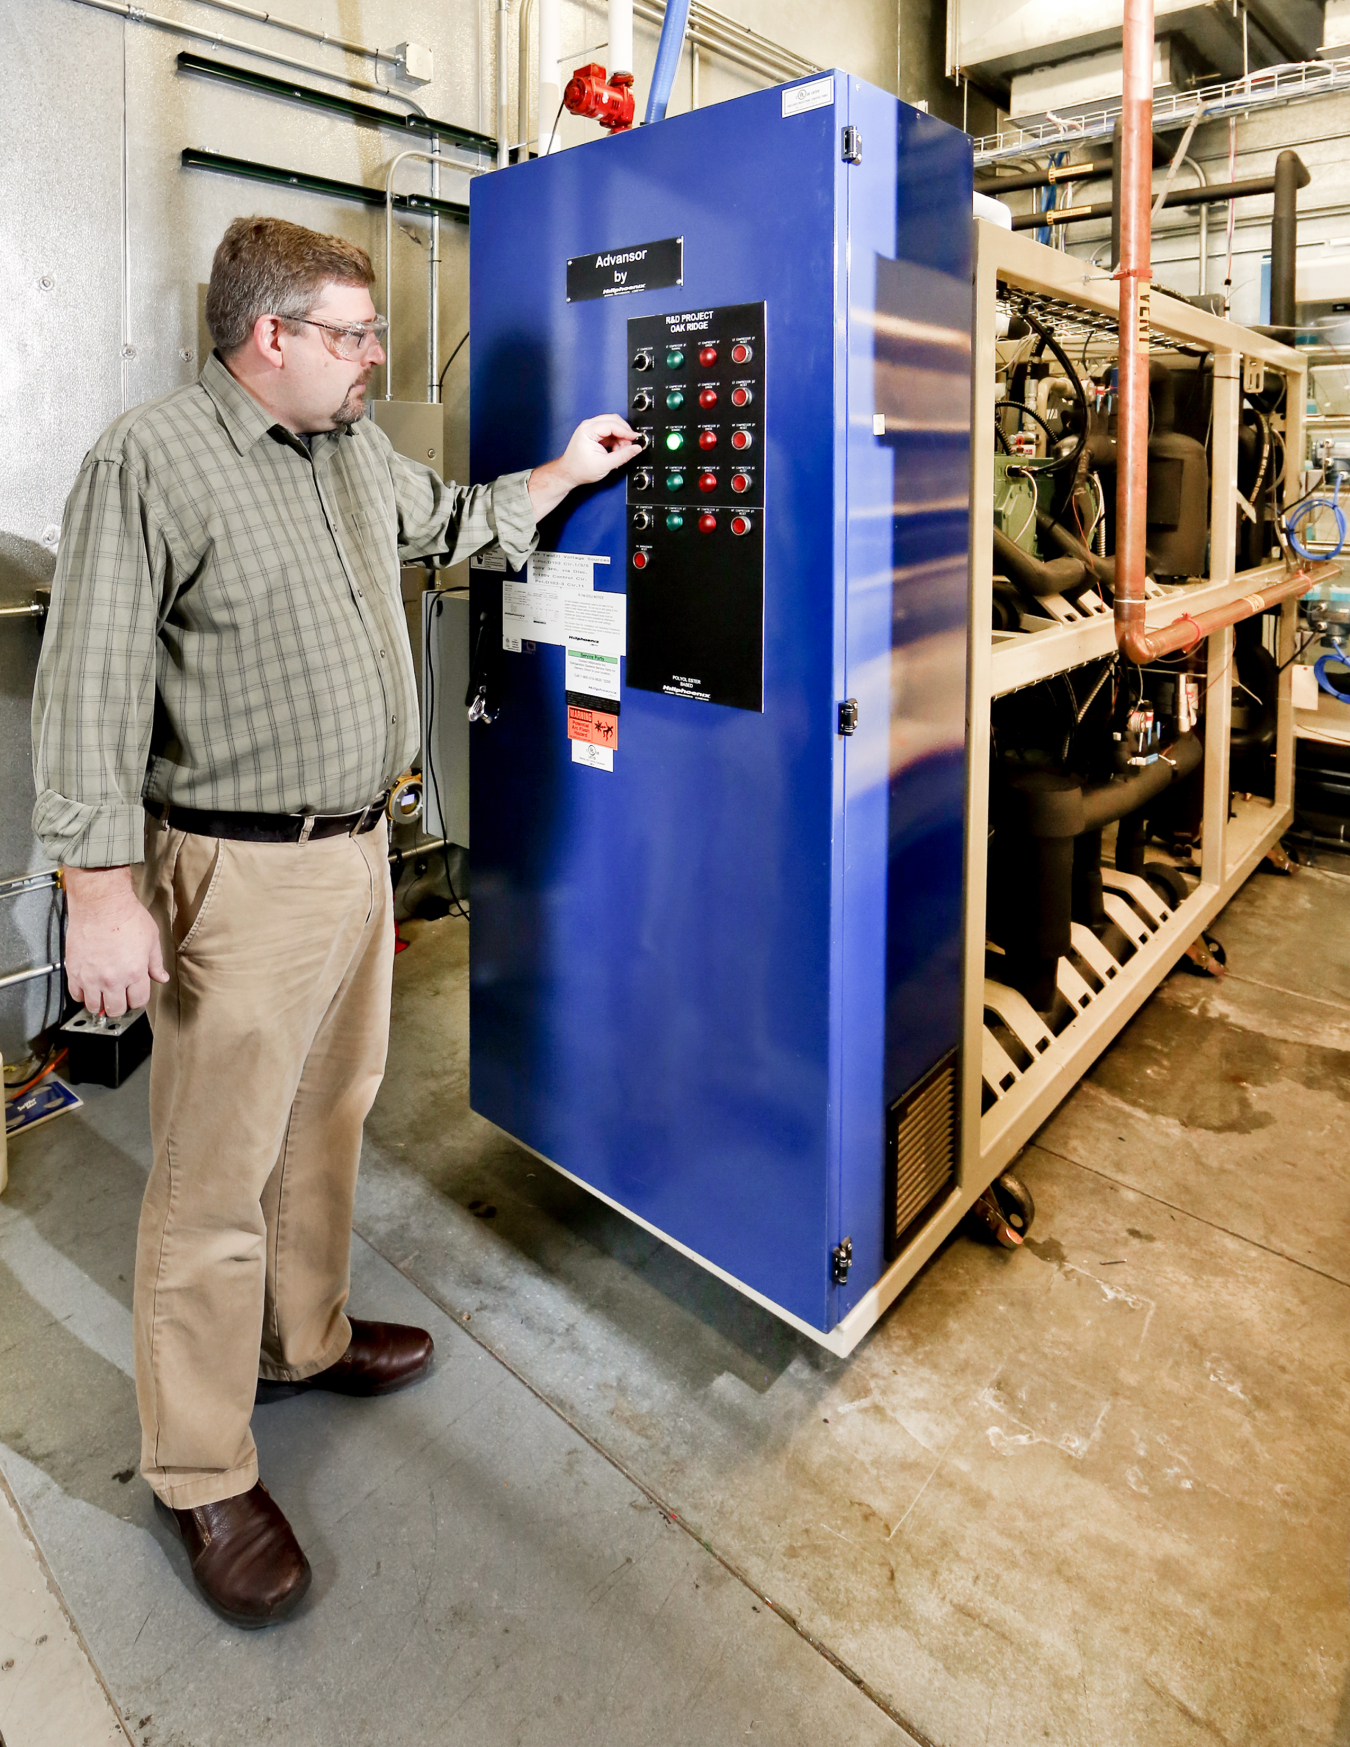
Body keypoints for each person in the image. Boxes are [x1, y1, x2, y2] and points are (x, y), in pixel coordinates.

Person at [30, 215, 639, 1630]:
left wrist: (558, 476)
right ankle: (196, 1467)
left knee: (330, 1114)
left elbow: (447, 523)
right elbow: (89, 694)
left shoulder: (349, 450)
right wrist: (101, 893)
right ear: (271, 341)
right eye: (355, 337)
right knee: (209, 1175)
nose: (376, 358)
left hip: (358, 854)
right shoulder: (152, 462)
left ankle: (298, 1340)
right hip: (235, 875)